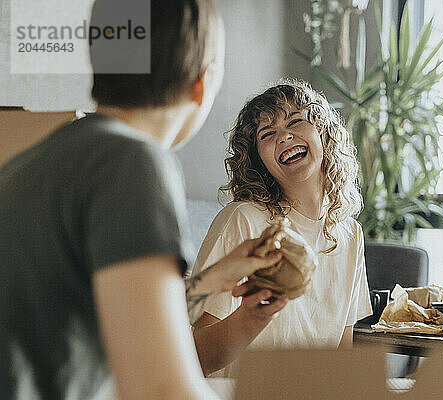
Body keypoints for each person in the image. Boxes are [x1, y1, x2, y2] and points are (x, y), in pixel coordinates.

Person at [0, 1, 282, 399]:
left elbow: (131, 324)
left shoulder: (37, 163)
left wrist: (219, 274)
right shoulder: (131, 160)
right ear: (203, 82)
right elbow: (160, 388)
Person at [188, 79, 373, 377]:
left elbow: (340, 352)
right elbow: (196, 356)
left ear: (324, 134)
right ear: (260, 162)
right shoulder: (244, 219)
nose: (284, 137)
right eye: (267, 134)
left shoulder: (350, 233)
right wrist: (253, 315)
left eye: (296, 122)